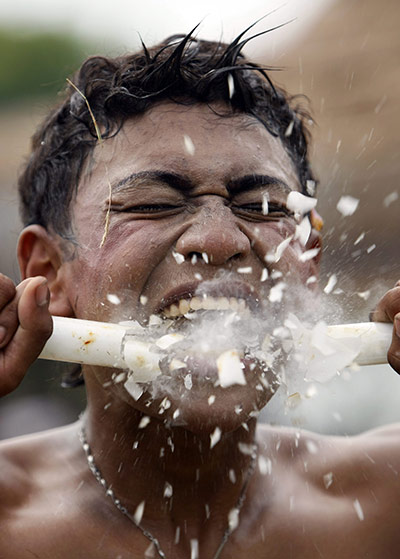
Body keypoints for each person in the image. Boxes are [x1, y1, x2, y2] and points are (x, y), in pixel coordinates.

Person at [0, 30, 400, 559]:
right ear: (48, 273)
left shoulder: (383, 503)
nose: (219, 241)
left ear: (308, 262)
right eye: (154, 204)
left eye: (263, 206)